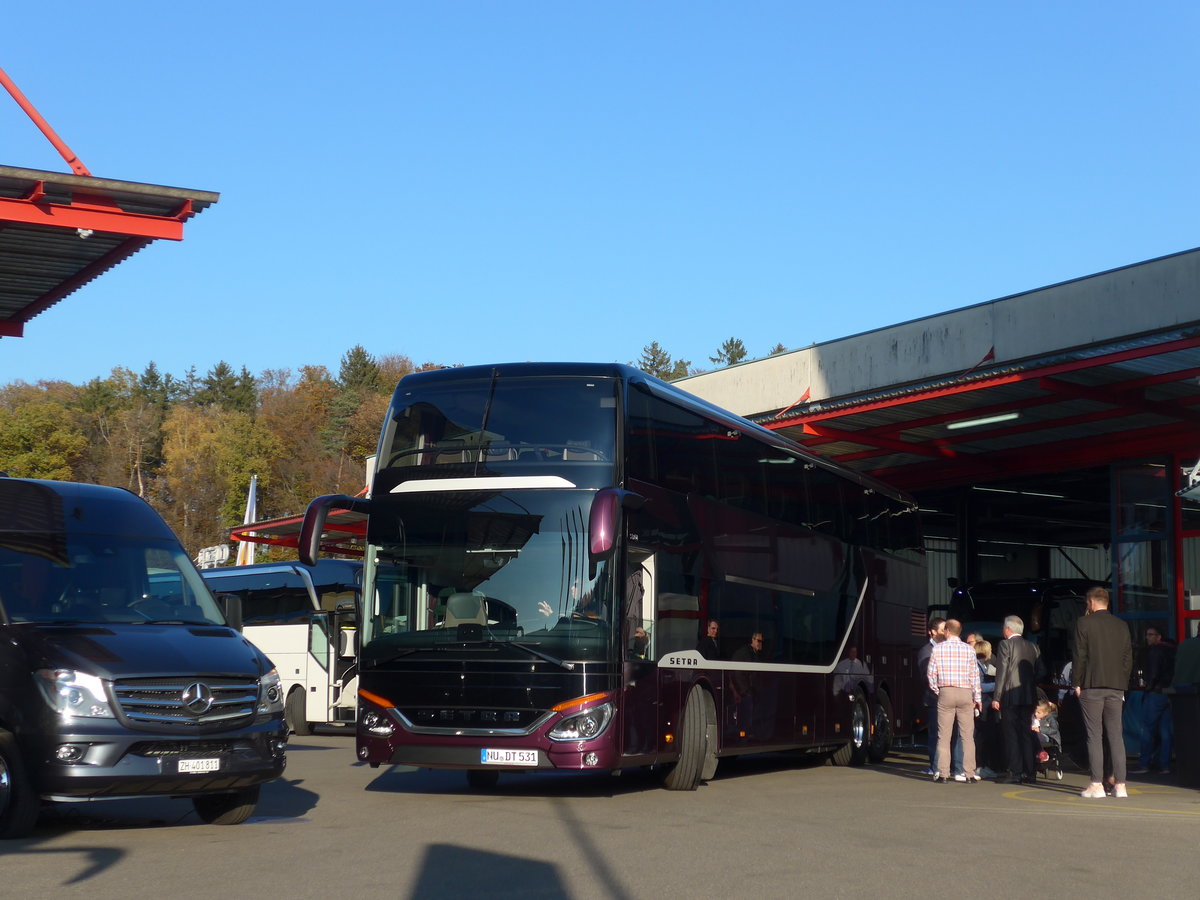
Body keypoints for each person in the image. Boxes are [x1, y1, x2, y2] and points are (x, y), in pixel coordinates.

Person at [1073, 586, 1133, 799]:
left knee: (1094, 736)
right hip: (1116, 686)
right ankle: (1121, 785)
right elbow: (1127, 658)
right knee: (1116, 736)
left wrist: (1076, 682)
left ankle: (1097, 784)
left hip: (1092, 685)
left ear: (1090, 602)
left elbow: (1080, 655)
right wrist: (1122, 682)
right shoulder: (1121, 625)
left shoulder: (1084, 623)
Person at [926, 618, 981, 783]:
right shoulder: (969, 650)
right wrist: (977, 698)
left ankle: (943, 773)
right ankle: (969, 773)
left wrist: (938, 690)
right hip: (965, 692)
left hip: (946, 691)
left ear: (946, 631)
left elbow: (930, 674)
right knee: (967, 736)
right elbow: (975, 676)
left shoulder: (938, 649)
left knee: (944, 736)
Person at [991, 614, 1043, 784]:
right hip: (1029, 695)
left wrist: (997, 696)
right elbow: (1042, 671)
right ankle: (1030, 772)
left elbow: (1002, 672)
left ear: (1008, 629)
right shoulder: (1033, 647)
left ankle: (1016, 772)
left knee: (1012, 734)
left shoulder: (1005, 645)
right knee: (1026, 733)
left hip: (1009, 695)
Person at [1133, 626, 1174, 774]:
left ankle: (1144, 763)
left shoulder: (1155, 651)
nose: (1147, 637)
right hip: (1168, 692)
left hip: (1155, 692)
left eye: (1151, 635)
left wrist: (1149, 686)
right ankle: (1165, 764)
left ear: (1159, 636)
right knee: (1165, 731)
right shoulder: (1172, 649)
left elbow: (1154, 673)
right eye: (1147, 635)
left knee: (1147, 730)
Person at [917, 617, 947, 775]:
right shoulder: (926, 651)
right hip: (934, 698)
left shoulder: (947, 649)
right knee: (935, 733)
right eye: (943, 629)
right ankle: (934, 766)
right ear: (932, 632)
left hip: (947, 698)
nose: (945, 632)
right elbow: (925, 677)